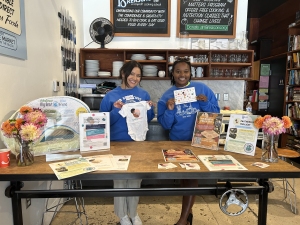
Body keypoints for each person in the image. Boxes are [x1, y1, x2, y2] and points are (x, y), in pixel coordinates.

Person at [157, 57, 220, 225]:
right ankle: (189, 214)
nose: (182, 75)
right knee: (185, 180)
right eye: (178, 71)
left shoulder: (202, 89)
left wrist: (205, 104)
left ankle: (183, 219)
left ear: (190, 73)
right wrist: (170, 109)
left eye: (185, 71)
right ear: (173, 73)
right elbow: (165, 124)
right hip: (177, 142)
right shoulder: (167, 96)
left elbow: (216, 112)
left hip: (200, 142)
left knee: (191, 179)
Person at [100, 60, 155, 225]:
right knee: (119, 181)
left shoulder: (144, 95)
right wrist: (116, 110)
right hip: (117, 143)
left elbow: (148, 119)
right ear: (123, 73)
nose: (135, 78)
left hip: (137, 143)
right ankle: (122, 215)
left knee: (135, 180)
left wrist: (149, 109)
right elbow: (102, 123)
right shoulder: (110, 96)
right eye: (132, 74)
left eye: (138, 75)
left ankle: (133, 213)